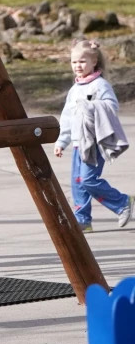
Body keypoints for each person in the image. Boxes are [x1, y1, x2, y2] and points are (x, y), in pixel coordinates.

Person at [53, 39, 132, 233]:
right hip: (78, 143)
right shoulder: (74, 89)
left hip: (94, 141)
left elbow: (111, 106)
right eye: (74, 62)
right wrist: (62, 141)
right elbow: (67, 117)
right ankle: (83, 220)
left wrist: (91, 106)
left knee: (88, 180)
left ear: (94, 61)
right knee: (77, 182)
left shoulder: (100, 85)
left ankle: (122, 202)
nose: (77, 66)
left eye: (82, 61)